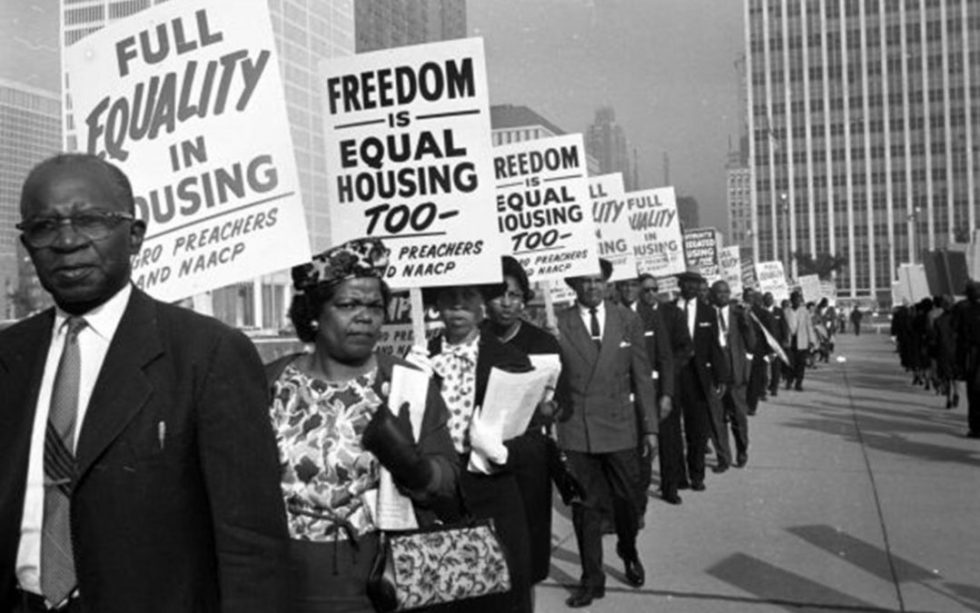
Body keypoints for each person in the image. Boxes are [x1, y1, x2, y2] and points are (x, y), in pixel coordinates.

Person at [0, 154, 287, 613]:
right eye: (44, 227)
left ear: (135, 236)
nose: (68, 240)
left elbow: (251, 542)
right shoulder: (9, 354)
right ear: (27, 244)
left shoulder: (207, 353)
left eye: (90, 220)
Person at [265, 239, 461, 613]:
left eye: (374, 306)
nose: (365, 316)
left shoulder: (407, 384)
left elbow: (448, 480)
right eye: (348, 304)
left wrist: (416, 469)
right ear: (313, 314)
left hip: (380, 578)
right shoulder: (270, 384)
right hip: (285, 579)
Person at [409, 282, 535, 613]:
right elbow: (401, 430)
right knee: (439, 591)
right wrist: (406, 384)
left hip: (492, 492)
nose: (458, 308)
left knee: (499, 597)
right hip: (437, 493)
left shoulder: (510, 359)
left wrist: (502, 452)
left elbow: (534, 440)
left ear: (482, 307)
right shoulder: (420, 357)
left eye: (468, 299)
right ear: (438, 307)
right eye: (450, 300)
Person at [555, 260, 659, 608]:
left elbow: (642, 376)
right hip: (578, 427)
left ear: (607, 284)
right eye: (584, 281)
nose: (592, 287)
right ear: (574, 286)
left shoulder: (627, 319)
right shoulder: (560, 323)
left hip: (620, 424)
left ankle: (627, 550)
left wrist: (650, 428)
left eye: (598, 281)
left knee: (628, 501)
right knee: (585, 506)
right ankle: (591, 579)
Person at [482, 256, 560, 592]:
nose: (506, 303)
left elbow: (564, 402)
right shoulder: (472, 340)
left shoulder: (543, 342)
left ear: (524, 299)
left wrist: (551, 408)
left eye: (514, 295)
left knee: (529, 544)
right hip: (482, 456)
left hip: (528, 455)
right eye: (499, 295)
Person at [618, 276, 676, 507]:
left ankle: (638, 505)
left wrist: (666, 394)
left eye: (633, 285)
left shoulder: (652, 315)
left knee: (645, 452)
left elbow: (665, 357)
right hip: (619, 395)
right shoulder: (610, 316)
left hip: (647, 394)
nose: (629, 289)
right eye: (624, 285)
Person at [675, 269, 729, 491]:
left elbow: (715, 347)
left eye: (696, 285)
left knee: (697, 430)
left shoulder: (708, 312)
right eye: (688, 284)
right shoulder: (667, 310)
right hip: (675, 376)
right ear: (680, 286)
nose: (692, 288)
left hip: (699, 378)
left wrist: (720, 376)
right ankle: (677, 477)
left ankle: (697, 475)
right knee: (672, 431)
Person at [710, 281, 757, 469]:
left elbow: (752, 343)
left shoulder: (738, 315)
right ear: (713, 295)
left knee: (739, 417)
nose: (722, 295)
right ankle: (723, 458)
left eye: (725, 292)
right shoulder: (706, 314)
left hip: (735, 376)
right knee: (717, 419)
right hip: (715, 377)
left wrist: (745, 320)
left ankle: (742, 449)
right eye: (718, 292)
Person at [745, 289, 773, 415]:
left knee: (751, 378)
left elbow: (769, 333)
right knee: (751, 379)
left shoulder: (760, 313)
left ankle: (749, 405)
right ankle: (749, 405)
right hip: (752, 351)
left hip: (752, 350)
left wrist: (769, 351)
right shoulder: (740, 312)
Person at [784, 291, 818, 392]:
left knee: (801, 364)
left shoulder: (805, 312)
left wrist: (812, 340)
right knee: (790, 363)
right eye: (795, 299)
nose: (797, 301)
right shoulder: (786, 311)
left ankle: (799, 383)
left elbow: (809, 326)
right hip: (790, 341)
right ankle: (789, 381)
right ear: (791, 300)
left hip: (802, 341)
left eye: (799, 299)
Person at [764, 292, 790, 397]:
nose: (769, 300)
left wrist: (785, 339)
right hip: (764, 344)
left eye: (771, 298)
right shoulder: (761, 312)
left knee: (776, 367)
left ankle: (774, 387)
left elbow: (784, 326)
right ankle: (763, 389)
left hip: (777, 344)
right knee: (764, 367)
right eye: (767, 298)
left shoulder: (779, 311)